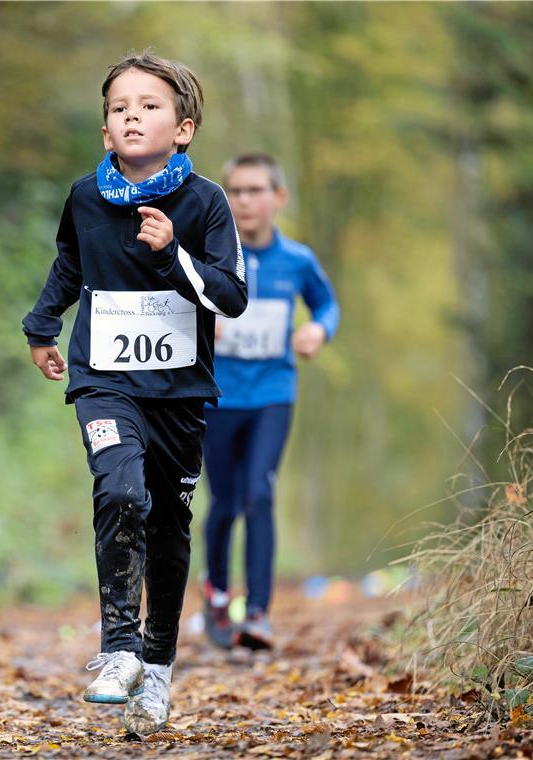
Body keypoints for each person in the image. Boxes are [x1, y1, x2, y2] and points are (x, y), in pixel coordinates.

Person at [23, 51, 247, 736]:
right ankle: (118, 647)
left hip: (178, 394)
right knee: (120, 491)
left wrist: (174, 253)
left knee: (169, 530)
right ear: (104, 132)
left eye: (148, 106)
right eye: (120, 108)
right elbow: (70, 261)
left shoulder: (205, 202)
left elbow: (232, 297)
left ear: (183, 128)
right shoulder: (85, 197)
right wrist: (41, 326)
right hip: (104, 381)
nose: (131, 116)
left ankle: (156, 669)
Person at [200, 153, 339, 651]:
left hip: (273, 395)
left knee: (259, 493)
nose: (243, 200)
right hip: (216, 396)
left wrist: (317, 330)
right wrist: (201, 322)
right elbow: (171, 298)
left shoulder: (297, 260)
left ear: (278, 198)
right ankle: (217, 591)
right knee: (224, 502)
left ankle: (257, 613)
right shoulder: (208, 254)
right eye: (235, 191)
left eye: (255, 190)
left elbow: (327, 303)